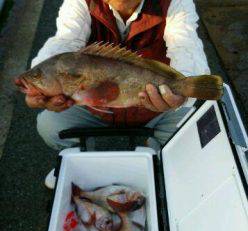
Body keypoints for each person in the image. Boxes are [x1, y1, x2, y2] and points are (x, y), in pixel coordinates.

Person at [27, 0, 210, 188]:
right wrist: (41, 85)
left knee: (193, 131)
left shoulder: (176, 2)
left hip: (155, 110)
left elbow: (185, 46)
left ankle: (159, 156)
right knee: (50, 126)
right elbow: (65, 42)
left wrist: (180, 94)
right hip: (94, 109)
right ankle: (78, 160)